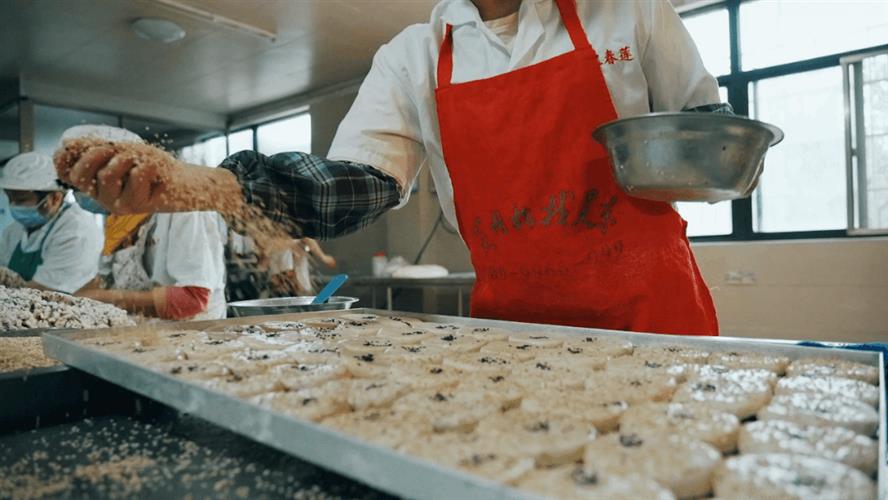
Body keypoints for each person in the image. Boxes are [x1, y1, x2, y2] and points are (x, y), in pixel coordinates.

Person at [55, 0, 730, 335]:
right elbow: (356, 186)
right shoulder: (414, 57)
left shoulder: (629, 12)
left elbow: (707, 137)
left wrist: (692, 152)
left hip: (653, 318)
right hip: (519, 330)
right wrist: (204, 186)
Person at [67, 126, 228, 321]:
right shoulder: (119, 216)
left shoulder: (183, 207)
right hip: (143, 334)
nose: (79, 193)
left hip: (194, 337)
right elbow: (105, 281)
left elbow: (193, 300)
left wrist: (110, 300)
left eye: (87, 184)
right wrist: (68, 301)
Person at [0, 152, 102, 293]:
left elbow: (45, 291)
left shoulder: (77, 231)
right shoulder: (14, 231)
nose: (13, 206)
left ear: (55, 198)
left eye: (21, 200)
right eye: (10, 198)